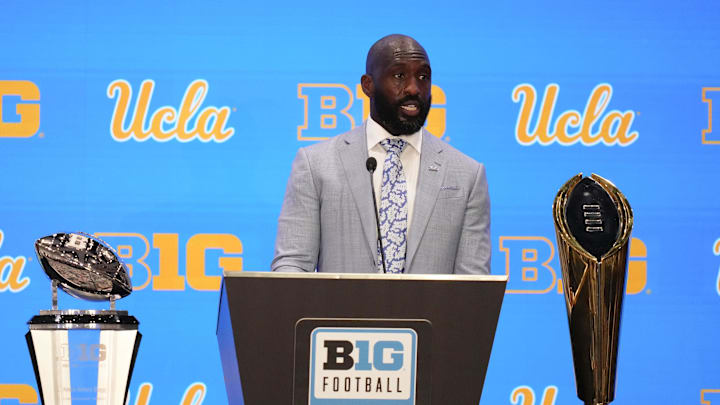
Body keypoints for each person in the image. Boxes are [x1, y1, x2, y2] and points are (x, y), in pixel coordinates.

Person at [271, 34, 490, 274]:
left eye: (423, 77)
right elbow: (292, 267)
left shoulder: (467, 174)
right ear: (368, 85)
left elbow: (474, 284)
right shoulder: (316, 165)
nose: (414, 88)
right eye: (399, 76)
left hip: (431, 313)